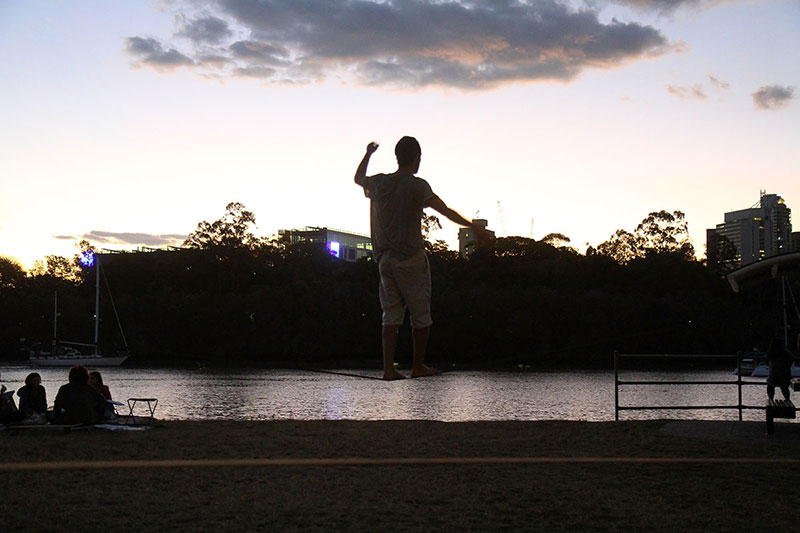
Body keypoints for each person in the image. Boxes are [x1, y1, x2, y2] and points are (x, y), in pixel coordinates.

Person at [354, 136, 492, 380]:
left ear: (398, 157)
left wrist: (368, 154)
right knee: (421, 315)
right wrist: (475, 228)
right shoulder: (417, 186)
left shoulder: (380, 183)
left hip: (385, 260)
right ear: (417, 158)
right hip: (410, 258)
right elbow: (446, 211)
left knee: (390, 315)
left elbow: (358, 179)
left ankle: (388, 369)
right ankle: (418, 365)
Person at [766, 337, 792, 402]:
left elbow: (766, 361)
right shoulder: (785, 354)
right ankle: (787, 399)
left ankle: (770, 399)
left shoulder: (770, 354)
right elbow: (791, 360)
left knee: (770, 385)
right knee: (784, 388)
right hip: (784, 377)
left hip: (773, 376)